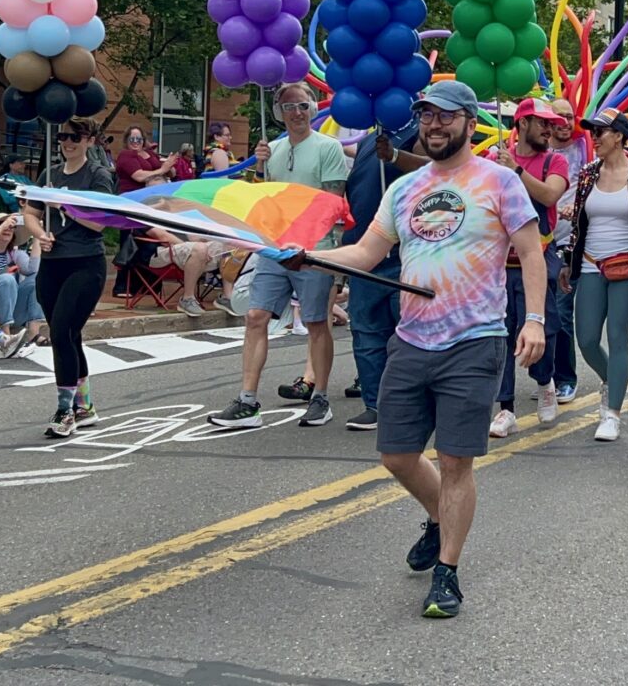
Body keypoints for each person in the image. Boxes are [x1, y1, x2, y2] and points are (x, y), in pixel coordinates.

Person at [273, 79, 542, 618]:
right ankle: (439, 515)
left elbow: (531, 253)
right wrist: (311, 258)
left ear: (468, 122)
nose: (434, 125)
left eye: (445, 117)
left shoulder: (500, 181)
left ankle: (447, 573)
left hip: (475, 339)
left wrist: (532, 319)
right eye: (427, 117)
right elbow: (369, 252)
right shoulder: (405, 188)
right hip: (413, 338)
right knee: (396, 455)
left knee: (455, 462)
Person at [213, 81, 350, 429]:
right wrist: (258, 169)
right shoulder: (270, 150)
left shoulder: (329, 148)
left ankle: (320, 397)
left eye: (302, 105)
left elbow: (334, 203)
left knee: (318, 322)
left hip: (315, 251)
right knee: (256, 317)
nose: (297, 113)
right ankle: (247, 401)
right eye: (288, 107)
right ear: (279, 113)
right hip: (275, 249)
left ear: (312, 109)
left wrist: (321, 252)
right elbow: (265, 201)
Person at [562, 108, 628, 443]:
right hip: (590, 263)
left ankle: (612, 413)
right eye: (592, 132)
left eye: (600, 132)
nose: (594, 138)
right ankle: (613, 380)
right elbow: (578, 223)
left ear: (618, 135)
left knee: (618, 337)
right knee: (587, 339)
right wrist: (569, 264)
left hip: (627, 267)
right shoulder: (589, 173)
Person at [20, 118, 115, 437]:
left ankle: (65, 411)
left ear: (89, 141)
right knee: (70, 336)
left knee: (60, 333)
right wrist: (39, 234)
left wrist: (64, 204)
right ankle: (85, 407)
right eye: (62, 136)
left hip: (85, 264)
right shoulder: (50, 174)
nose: (67, 142)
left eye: (75, 137)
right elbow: (31, 213)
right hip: (52, 264)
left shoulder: (98, 175)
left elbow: (100, 223)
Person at [487, 98, 570, 438]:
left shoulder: (555, 160)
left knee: (543, 329)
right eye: (542, 123)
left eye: (551, 123)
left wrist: (516, 172)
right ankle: (505, 407)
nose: (550, 129)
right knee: (500, 334)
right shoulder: (494, 159)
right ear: (521, 124)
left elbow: (551, 196)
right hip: (498, 264)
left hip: (538, 258)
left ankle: (545, 381)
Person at [336, 122, 425, 431]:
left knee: (409, 334)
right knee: (365, 333)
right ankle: (375, 404)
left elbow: (434, 169)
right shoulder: (368, 139)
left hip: (403, 254)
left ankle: (415, 402)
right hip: (363, 252)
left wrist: (396, 155)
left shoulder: (418, 131)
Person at [537, 97, 587, 406]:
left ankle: (565, 379)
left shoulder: (586, 150)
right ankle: (548, 377)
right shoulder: (539, 153)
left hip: (572, 243)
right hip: (541, 242)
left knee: (562, 312)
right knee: (542, 313)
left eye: (570, 116)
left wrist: (578, 208)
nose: (566, 122)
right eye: (560, 117)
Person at [0, 213, 46, 351]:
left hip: (8, 308)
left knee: (39, 277)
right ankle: (5, 336)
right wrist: (1, 228)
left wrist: (37, 235)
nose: (8, 229)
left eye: (12, 227)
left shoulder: (14, 254)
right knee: (7, 279)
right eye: (3, 226)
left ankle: (33, 333)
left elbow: (33, 269)